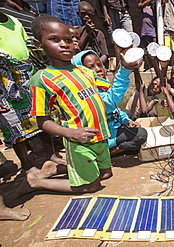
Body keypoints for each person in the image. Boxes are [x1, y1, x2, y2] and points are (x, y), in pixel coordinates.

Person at [20, 15, 112, 195]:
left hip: (100, 136)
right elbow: (42, 121)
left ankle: (55, 169)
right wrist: (71, 133)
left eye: (69, 40)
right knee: (91, 186)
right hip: (77, 139)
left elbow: (111, 92)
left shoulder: (84, 71)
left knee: (106, 174)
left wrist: (125, 68)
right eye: (55, 40)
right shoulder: (42, 79)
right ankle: (36, 183)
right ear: (39, 45)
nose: (64, 44)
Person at [0, 9, 63, 175]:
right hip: (3, 81)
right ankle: (26, 163)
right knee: (12, 121)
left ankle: (51, 155)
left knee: (40, 114)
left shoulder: (13, 21)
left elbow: (26, 48)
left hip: (25, 74)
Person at [72, 50, 147, 154]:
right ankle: (106, 153)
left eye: (99, 65)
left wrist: (127, 121)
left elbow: (114, 110)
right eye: (90, 67)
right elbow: (111, 101)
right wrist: (124, 70)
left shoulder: (101, 86)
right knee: (141, 134)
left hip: (108, 126)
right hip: (98, 136)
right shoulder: (86, 91)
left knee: (126, 113)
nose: (98, 69)